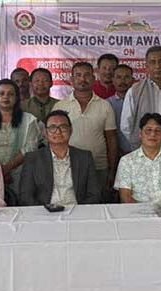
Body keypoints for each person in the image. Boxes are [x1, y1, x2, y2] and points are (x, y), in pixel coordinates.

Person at [52, 62, 117, 195]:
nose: (82, 79)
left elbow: (111, 140)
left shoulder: (105, 106)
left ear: (94, 79)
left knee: (98, 207)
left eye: (87, 75)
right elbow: (53, 140)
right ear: (71, 80)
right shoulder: (60, 106)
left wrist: (112, 170)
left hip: (99, 167)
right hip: (68, 167)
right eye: (78, 75)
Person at [19, 110, 102, 206]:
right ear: (45, 133)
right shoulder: (33, 159)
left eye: (63, 127)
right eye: (52, 127)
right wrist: (43, 213)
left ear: (71, 131)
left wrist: (79, 212)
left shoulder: (85, 157)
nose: (58, 132)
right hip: (44, 213)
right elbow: (25, 196)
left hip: (77, 212)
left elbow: (94, 194)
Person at [0, 79, 40, 205]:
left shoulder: (29, 120)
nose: (6, 97)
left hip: (22, 173)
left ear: (17, 98)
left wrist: (7, 169)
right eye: (2, 94)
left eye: (10, 94)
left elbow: (29, 149)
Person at [115, 113, 161, 203]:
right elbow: (125, 195)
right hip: (137, 213)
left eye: (157, 131)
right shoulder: (127, 161)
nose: (153, 134)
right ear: (140, 134)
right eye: (148, 130)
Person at [108, 64, 134, 155]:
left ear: (133, 80)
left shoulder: (140, 102)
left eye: (126, 77)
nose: (122, 81)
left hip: (137, 151)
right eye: (118, 77)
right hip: (114, 153)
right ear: (113, 80)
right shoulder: (107, 104)